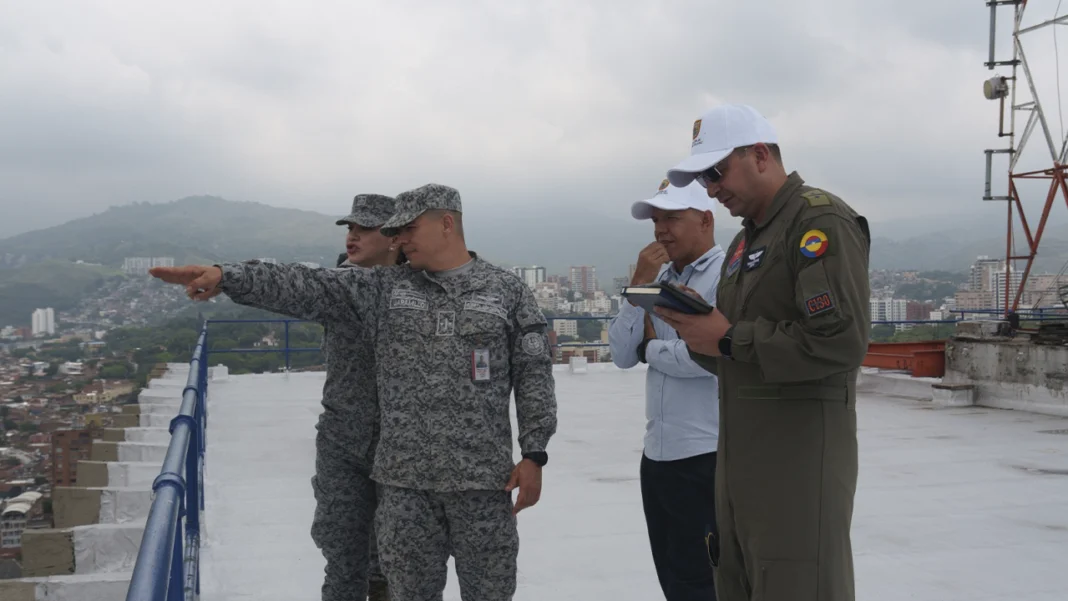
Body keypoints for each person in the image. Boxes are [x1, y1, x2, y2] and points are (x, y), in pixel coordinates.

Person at [149, 183, 557, 601]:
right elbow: (305, 284)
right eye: (393, 232)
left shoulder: (507, 292)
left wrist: (534, 453)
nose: (399, 240)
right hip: (405, 488)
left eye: (408, 230)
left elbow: (533, 375)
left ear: (446, 224)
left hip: (484, 484)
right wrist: (227, 276)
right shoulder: (383, 289)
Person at [654, 103, 871, 601]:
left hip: (796, 462)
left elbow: (840, 340)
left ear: (759, 155)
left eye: (716, 170)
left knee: (798, 583)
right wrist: (698, 332)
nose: (710, 187)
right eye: (703, 176)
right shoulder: (742, 246)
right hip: (740, 464)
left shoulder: (818, 221)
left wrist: (728, 339)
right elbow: (731, 346)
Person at [607, 179, 725, 601]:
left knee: (707, 581)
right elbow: (621, 353)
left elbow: (705, 356)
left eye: (672, 218)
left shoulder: (726, 275)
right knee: (674, 579)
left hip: (706, 455)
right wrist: (638, 285)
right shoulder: (656, 280)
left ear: (706, 219)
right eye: (656, 220)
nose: (660, 230)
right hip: (658, 455)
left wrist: (650, 346)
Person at [316, 194, 402, 601]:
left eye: (364, 229)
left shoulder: (419, 290)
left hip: (402, 440)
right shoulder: (338, 285)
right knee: (341, 553)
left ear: (393, 238)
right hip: (343, 437)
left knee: (397, 557)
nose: (352, 236)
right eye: (350, 228)